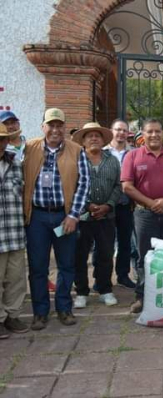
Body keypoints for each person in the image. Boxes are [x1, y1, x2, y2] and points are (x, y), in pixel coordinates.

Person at [23, 108, 90, 330]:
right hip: (37, 217)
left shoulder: (77, 150)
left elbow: (84, 184)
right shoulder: (29, 148)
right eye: (50, 125)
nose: (55, 129)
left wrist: (74, 215)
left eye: (59, 125)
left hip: (64, 216)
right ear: (43, 127)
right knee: (38, 266)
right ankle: (40, 312)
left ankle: (64, 308)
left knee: (66, 265)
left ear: (64, 127)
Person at [121, 119, 163, 313]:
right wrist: (152, 204)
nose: (154, 135)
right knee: (145, 256)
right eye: (150, 132)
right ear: (142, 135)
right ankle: (142, 297)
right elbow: (127, 186)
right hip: (144, 213)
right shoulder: (132, 156)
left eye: (158, 131)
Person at [72, 122, 121, 308]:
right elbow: (71, 186)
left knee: (106, 254)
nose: (94, 138)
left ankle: (105, 289)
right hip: (82, 217)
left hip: (106, 216)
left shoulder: (112, 160)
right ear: (83, 141)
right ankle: (82, 292)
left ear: (103, 140)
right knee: (80, 255)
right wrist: (87, 205)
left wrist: (108, 206)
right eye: (89, 135)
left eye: (97, 135)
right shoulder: (76, 159)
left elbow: (118, 185)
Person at [0, 123, 29, 337]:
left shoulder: (15, 161)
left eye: (3, 139)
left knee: (16, 278)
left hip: (14, 231)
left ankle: (13, 316)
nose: (1, 143)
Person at [105, 119, 136, 288]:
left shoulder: (134, 153)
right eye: (118, 130)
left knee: (125, 242)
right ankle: (102, 278)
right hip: (105, 205)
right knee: (104, 244)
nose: (121, 133)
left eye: (124, 130)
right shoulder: (102, 152)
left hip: (126, 204)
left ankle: (123, 275)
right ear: (111, 131)